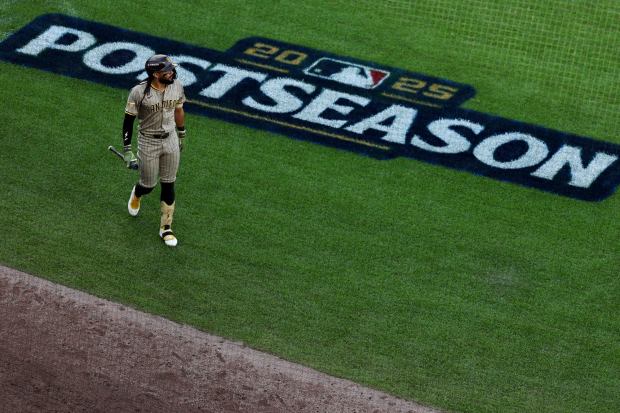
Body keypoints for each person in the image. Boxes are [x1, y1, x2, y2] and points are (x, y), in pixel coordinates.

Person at [122, 54, 186, 247]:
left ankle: (166, 227)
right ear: (156, 74)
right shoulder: (138, 92)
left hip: (171, 140)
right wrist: (127, 150)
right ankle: (138, 193)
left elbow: (179, 110)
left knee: (169, 183)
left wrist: (181, 132)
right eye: (167, 71)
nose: (172, 72)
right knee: (148, 184)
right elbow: (128, 121)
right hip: (148, 142)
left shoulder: (177, 86)